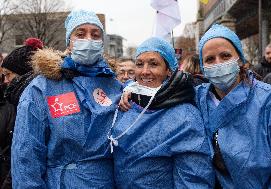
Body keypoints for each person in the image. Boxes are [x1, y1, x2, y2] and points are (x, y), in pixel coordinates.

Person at [11, 10, 122, 188]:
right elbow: (26, 154)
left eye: (95, 35)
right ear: (69, 42)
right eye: (80, 34)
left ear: (102, 43)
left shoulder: (114, 86)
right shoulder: (42, 88)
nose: (88, 40)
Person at [110, 37, 214, 188]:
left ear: (169, 71)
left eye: (153, 64)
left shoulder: (185, 116)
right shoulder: (127, 104)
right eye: (139, 64)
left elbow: (193, 179)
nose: (145, 71)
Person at [195, 24, 271, 188]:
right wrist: (133, 91)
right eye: (209, 59)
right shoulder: (196, 99)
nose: (218, 64)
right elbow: (161, 100)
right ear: (202, 67)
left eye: (226, 56)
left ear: (241, 59)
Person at [0, 37, 43, 189]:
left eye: (8, 74)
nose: (5, 81)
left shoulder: (32, 104)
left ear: (22, 74)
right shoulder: (14, 102)